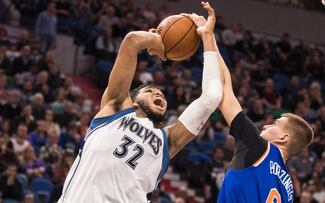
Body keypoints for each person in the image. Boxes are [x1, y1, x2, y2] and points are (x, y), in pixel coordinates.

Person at [58, 2, 222, 203]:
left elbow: (212, 97)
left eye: (161, 95)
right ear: (133, 102)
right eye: (150, 91)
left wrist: (207, 36)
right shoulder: (115, 108)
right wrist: (157, 41)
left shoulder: (168, 141)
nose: (158, 95)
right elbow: (132, 41)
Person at [183, 12, 314, 203]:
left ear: (284, 138)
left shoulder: (259, 149)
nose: (267, 126)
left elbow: (224, 88)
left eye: (275, 124)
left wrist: (208, 35)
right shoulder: (289, 191)